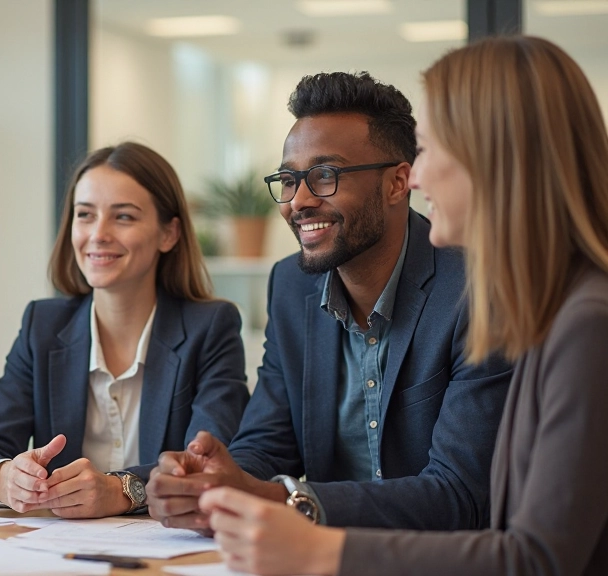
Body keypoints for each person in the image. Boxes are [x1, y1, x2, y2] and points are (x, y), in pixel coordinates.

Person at [198, 35, 608, 576]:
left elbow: (537, 556)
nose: (416, 175)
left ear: (499, 158)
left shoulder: (584, 322)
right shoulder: (553, 306)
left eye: (432, 148)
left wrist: (322, 550)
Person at [147, 71, 513, 531]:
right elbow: (266, 443)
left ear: (398, 183)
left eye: (324, 175)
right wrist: (217, 482)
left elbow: (460, 495)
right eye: (287, 179)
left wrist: (286, 500)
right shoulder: (290, 286)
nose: (297, 201)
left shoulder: (478, 289)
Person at [0, 142, 250, 518]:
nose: (98, 234)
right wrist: (4, 477)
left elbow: (208, 467)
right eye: (85, 215)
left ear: (168, 234)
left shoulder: (212, 329)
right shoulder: (42, 326)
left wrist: (121, 489)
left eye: (123, 217)